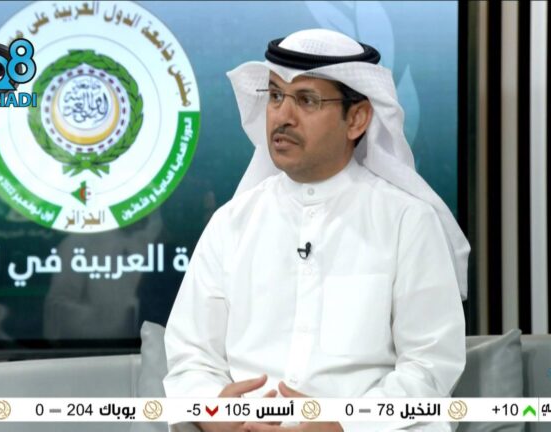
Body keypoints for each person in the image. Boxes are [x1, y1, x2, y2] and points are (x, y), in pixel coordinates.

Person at [163, 29, 470, 432]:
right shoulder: (231, 223)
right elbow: (190, 356)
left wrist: (343, 425)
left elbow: (428, 367)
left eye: (307, 100)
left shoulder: (407, 221)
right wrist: (213, 416)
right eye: (276, 96)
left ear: (357, 119)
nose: (282, 116)